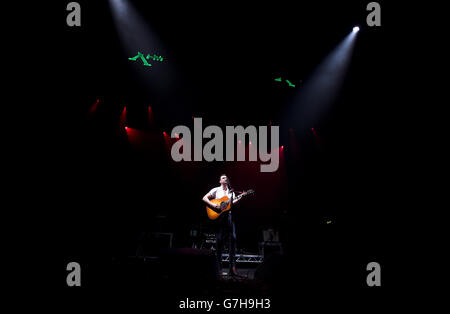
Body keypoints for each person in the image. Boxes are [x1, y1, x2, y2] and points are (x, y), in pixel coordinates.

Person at [202, 174, 241, 276]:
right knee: (219, 241)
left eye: (227, 177)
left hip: (229, 217)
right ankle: (218, 268)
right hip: (220, 218)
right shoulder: (216, 190)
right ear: (220, 181)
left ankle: (232, 268)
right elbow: (204, 198)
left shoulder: (231, 192)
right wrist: (213, 205)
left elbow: (230, 204)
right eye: (223, 177)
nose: (226, 178)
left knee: (233, 239)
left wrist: (240, 197)